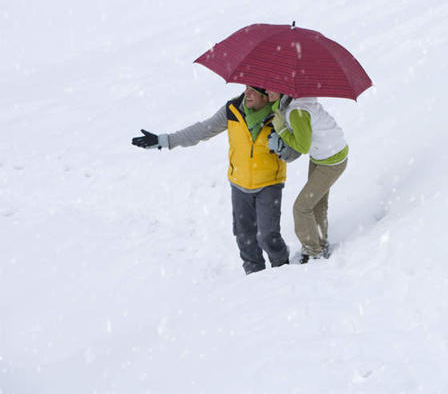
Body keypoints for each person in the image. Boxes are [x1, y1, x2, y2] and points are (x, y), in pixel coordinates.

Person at [131, 85, 289, 274]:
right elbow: (203, 130)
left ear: (266, 95)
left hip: (269, 184)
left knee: (268, 237)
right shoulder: (233, 109)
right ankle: (254, 277)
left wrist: (282, 145)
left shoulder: (279, 115)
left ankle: (283, 272)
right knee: (244, 237)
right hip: (239, 183)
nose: (247, 93)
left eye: (253, 90)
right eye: (245, 87)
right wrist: (164, 140)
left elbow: (297, 147)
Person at [266, 91, 348, 263]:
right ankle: (321, 243)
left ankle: (313, 253)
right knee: (316, 203)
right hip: (323, 154)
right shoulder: (290, 102)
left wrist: (281, 129)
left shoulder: (296, 111)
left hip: (332, 160)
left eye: (270, 88)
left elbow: (302, 146)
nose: (266, 92)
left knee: (301, 208)